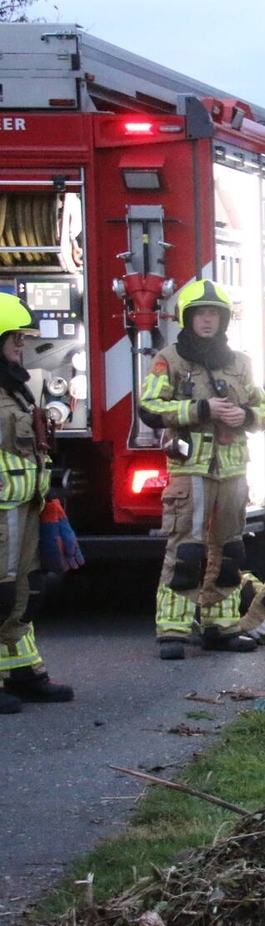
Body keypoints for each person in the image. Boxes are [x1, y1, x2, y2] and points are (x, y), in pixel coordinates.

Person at [140, 279, 265, 660]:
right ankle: (173, 631)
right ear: (188, 319)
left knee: (229, 550)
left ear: (224, 319)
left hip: (233, 470)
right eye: (200, 314)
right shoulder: (169, 360)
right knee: (186, 550)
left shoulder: (240, 363)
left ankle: (221, 627)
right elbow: (149, 408)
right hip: (191, 469)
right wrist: (201, 409)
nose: (208, 321)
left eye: (214, 314)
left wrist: (246, 415)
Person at [0, 293, 73, 712]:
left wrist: (48, 499)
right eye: (15, 337)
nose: (21, 344)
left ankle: (23, 672)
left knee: (25, 590)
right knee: (1, 592)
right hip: (3, 509)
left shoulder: (13, 388)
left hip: (23, 504)